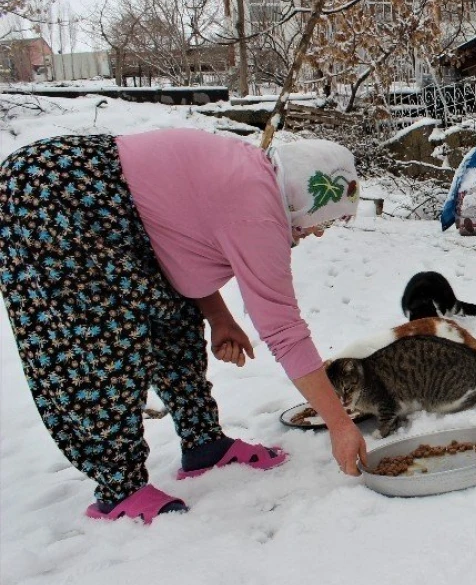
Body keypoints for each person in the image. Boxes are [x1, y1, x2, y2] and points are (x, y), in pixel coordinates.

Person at [0, 129, 369, 524]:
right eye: (322, 222)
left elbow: (181, 252)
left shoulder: (256, 177)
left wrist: (220, 319)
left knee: (173, 317)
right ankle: (118, 490)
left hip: (101, 197)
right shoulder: (258, 209)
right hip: (55, 196)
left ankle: (203, 443)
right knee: (103, 342)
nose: (316, 232)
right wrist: (340, 424)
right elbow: (284, 330)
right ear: (307, 198)